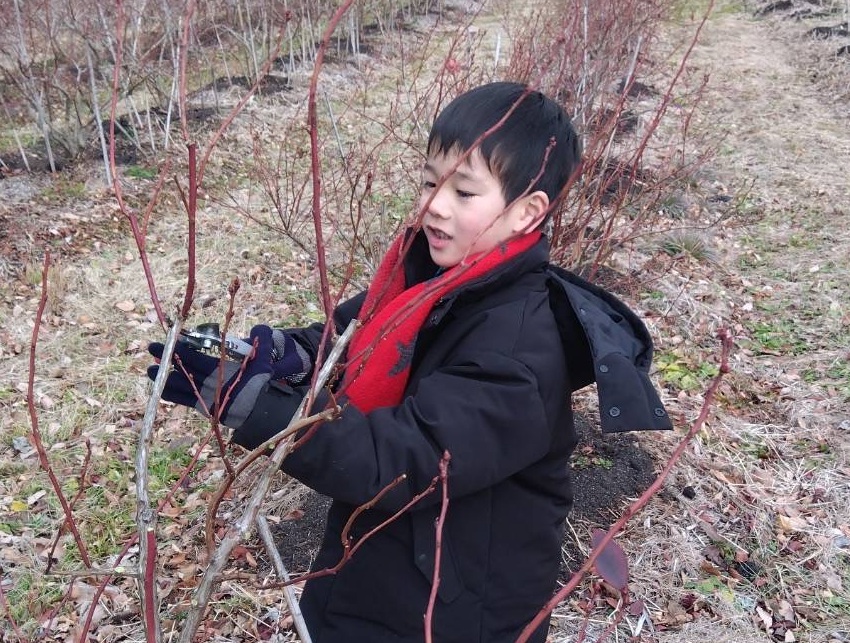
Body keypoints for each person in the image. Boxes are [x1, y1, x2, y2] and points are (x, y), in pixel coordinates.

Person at [147, 81, 671, 643]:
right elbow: (350, 339)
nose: (434, 205)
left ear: (527, 212)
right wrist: (282, 356)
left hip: (452, 611)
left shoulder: (521, 350)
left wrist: (258, 405)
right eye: (429, 181)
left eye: (463, 192)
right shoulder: (433, 279)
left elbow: (401, 461)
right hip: (386, 564)